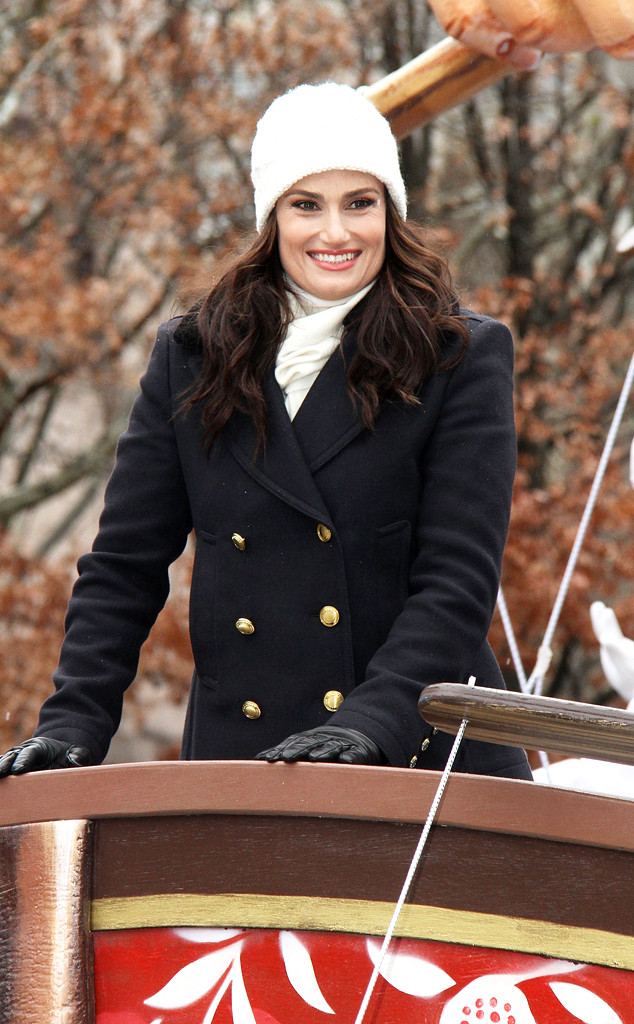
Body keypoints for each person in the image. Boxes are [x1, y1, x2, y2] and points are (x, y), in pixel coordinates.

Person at [0, 82, 531, 779]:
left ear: (390, 212)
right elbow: (123, 567)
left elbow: (457, 584)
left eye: (359, 203)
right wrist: (74, 720)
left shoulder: (457, 355)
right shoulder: (191, 355)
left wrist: (373, 723)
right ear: (271, 217)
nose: (335, 233)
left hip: (418, 761)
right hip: (242, 764)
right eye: (306, 204)